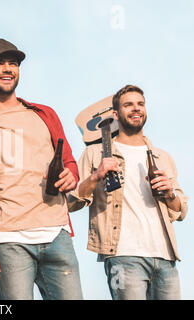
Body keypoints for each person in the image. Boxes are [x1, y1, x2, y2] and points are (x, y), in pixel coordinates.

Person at [0, 39, 83, 300]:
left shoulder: (46, 114)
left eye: (13, 63)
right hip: (8, 239)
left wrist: (72, 174)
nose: (7, 69)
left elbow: (69, 161)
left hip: (57, 234)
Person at [68, 84, 188, 300]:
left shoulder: (162, 157)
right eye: (128, 104)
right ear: (115, 114)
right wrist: (96, 176)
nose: (136, 108)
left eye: (140, 104)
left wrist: (170, 193)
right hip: (123, 255)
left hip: (165, 257)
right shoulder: (95, 154)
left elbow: (181, 211)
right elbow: (70, 201)